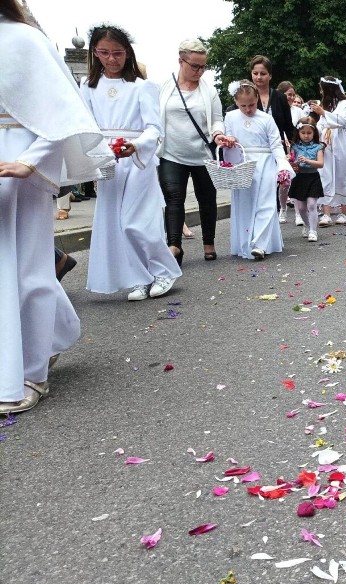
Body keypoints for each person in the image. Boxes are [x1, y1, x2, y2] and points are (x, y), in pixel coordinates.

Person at [0, 0, 112, 414]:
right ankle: (53, 331)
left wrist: (29, 161)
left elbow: (63, 114)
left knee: (28, 268)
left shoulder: (26, 40)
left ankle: (31, 372)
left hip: (19, 167)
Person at [82, 25, 181, 301]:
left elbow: (153, 127)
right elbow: (86, 126)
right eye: (104, 53)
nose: (112, 59)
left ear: (128, 54)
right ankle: (139, 276)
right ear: (95, 54)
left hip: (137, 160)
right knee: (115, 223)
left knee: (135, 221)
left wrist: (136, 145)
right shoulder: (88, 87)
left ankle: (164, 271)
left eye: (118, 53)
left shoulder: (142, 87)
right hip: (107, 159)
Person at [158, 38, 223, 262]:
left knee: (207, 199)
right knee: (173, 198)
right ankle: (174, 246)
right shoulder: (164, 88)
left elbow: (216, 121)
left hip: (202, 155)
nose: (199, 71)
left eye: (203, 66)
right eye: (195, 66)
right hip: (171, 154)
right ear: (181, 61)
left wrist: (218, 135)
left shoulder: (210, 91)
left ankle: (209, 244)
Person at [219, 80, 294, 260]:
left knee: (266, 203)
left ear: (257, 99)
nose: (248, 109)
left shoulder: (266, 119)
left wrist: (282, 165)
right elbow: (229, 140)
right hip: (242, 163)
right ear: (236, 102)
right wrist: (228, 142)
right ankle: (246, 241)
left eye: (251, 104)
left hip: (265, 162)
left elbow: (276, 144)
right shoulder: (230, 117)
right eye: (243, 105)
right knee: (245, 203)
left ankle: (260, 244)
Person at [312, 76, 346, 226]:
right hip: (326, 141)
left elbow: (343, 121)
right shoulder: (324, 104)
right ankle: (326, 213)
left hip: (340, 140)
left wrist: (323, 112)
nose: (321, 91)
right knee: (325, 174)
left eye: (322, 88)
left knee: (343, 174)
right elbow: (321, 124)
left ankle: (344, 213)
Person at [289, 118, 325, 242]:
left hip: (313, 177)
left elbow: (321, 163)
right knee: (302, 207)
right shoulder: (295, 147)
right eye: (303, 133)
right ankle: (308, 225)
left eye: (309, 133)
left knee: (311, 204)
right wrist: (293, 164)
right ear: (298, 132)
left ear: (314, 133)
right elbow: (293, 163)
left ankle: (313, 230)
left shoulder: (318, 147)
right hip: (300, 178)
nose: (306, 136)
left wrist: (308, 161)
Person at [276, 80, 301, 223]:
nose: (291, 98)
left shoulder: (298, 111)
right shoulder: (277, 109)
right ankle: (283, 208)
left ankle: (298, 213)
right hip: (281, 148)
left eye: (293, 95)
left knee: (296, 181)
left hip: (294, 148)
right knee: (284, 182)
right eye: (288, 95)